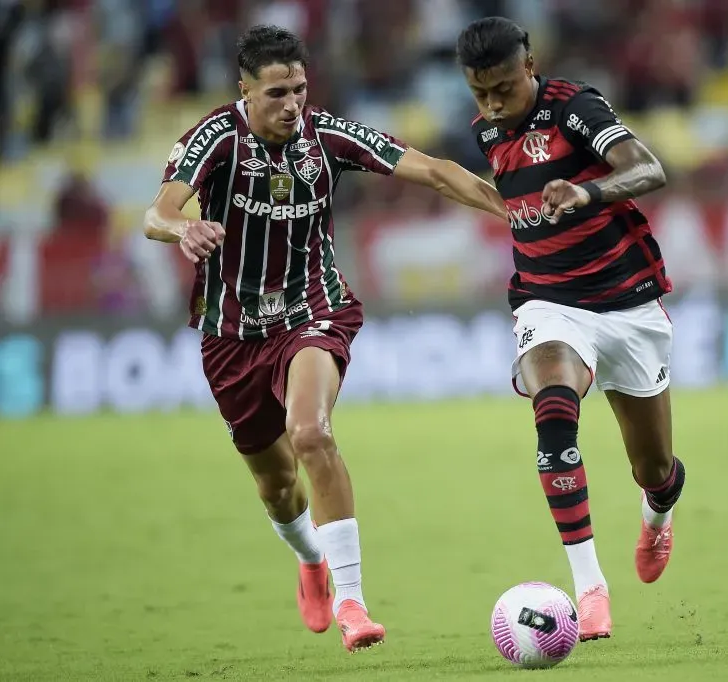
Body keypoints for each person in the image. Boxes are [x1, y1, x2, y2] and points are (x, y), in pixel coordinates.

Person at [143, 24, 505, 653]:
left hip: (314, 311)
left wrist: (514, 213)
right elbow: (158, 211)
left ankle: (352, 600)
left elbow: (434, 172)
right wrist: (182, 230)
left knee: (311, 431)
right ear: (245, 92)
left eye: (301, 90)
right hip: (230, 333)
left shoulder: (325, 135)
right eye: (278, 92)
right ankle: (311, 558)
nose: (292, 104)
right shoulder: (215, 138)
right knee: (276, 485)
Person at [456, 17, 687, 641]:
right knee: (553, 409)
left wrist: (588, 195)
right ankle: (590, 590)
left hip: (627, 305)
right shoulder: (483, 132)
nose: (494, 103)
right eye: (481, 93)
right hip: (548, 304)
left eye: (504, 87)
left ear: (529, 65)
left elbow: (648, 170)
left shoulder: (574, 108)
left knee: (654, 467)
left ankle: (658, 514)